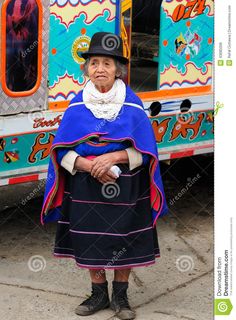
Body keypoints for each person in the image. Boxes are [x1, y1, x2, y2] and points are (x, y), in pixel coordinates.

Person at [41, 32, 168, 320]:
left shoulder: (133, 106)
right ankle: (98, 294)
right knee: (89, 240)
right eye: (94, 62)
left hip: (127, 187)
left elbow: (147, 154)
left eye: (107, 63)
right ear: (86, 69)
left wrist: (114, 157)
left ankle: (121, 296)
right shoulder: (76, 107)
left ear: (118, 70)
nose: (100, 68)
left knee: (125, 238)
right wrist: (88, 166)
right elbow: (61, 152)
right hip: (85, 187)